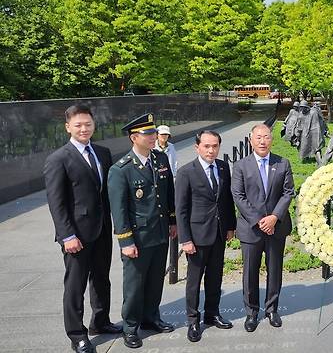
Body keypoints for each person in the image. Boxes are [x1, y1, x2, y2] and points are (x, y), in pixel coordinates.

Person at [44, 104, 121, 353]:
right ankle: (77, 334)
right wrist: (67, 235)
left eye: (87, 124)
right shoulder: (58, 159)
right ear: (68, 127)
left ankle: (101, 321)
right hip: (75, 234)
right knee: (75, 286)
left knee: (102, 279)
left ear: (93, 124)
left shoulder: (103, 152)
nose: (84, 128)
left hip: (101, 229)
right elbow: (57, 203)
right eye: (78, 125)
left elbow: (106, 193)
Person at [108, 113, 176, 349]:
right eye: (148, 134)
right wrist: (125, 241)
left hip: (159, 232)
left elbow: (169, 195)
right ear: (134, 137)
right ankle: (130, 327)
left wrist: (173, 221)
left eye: (154, 132)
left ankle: (151, 317)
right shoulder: (121, 169)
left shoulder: (160, 159)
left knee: (156, 280)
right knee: (134, 285)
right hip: (137, 237)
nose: (153, 136)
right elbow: (119, 209)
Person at [231, 124, 295, 332]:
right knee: (250, 271)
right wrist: (260, 220)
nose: (262, 141)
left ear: (271, 139)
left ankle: (272, 309)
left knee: (274, 269)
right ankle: (251, 312)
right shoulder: (241, 166)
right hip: (251, 229)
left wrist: (274, 217)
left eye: (266, 137)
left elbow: (288, 192)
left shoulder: (282, 163)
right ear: (251, 140)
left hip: (277, 227)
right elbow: (238, 196)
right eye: (258, 137)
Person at [175, 130, 237, 343]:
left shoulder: (222, 167)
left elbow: (226, 199)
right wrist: (185, 239)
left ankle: (212, 313)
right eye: (206, 146)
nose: (211, 150)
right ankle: (193, 320)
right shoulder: (186, 172)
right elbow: (181, 209)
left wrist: (230, 226)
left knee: (215, 277)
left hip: (219, 233)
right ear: (197, 147)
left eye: (215, 146)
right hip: (196, 236)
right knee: (194, 281)